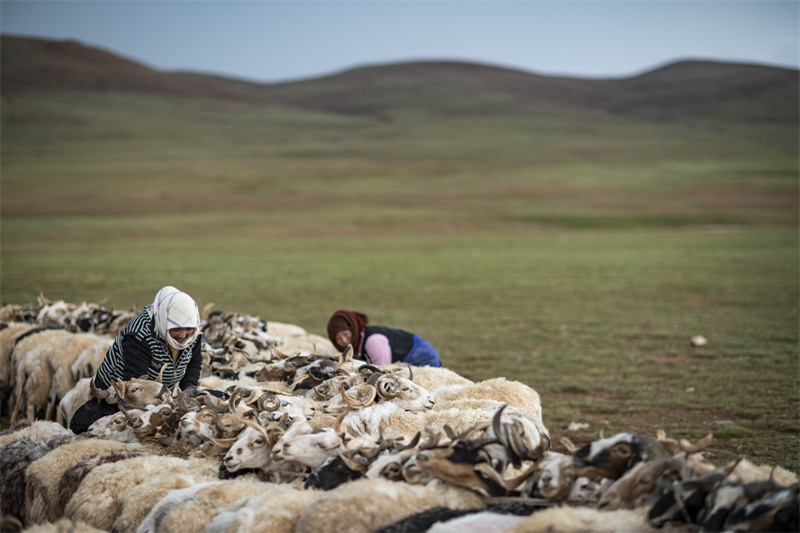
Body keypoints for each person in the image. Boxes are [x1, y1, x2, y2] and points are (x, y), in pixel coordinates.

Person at [70, 286, 203, 433]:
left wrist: (189, 390)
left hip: (158, 393)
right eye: (176, 329)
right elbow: (136, 383)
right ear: (163, 321)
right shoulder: (139, 334)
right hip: (120, 392)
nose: (183, 335)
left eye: (188, 329)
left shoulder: (194, 332)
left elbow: (194, 363)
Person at [326, 309, 442, 367]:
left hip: (419, 357)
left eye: (345, 334)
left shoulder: (373, 342)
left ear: (353, 328)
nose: (344, 341)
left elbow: (383, 371)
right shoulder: (357, 346)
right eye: (338, 339)